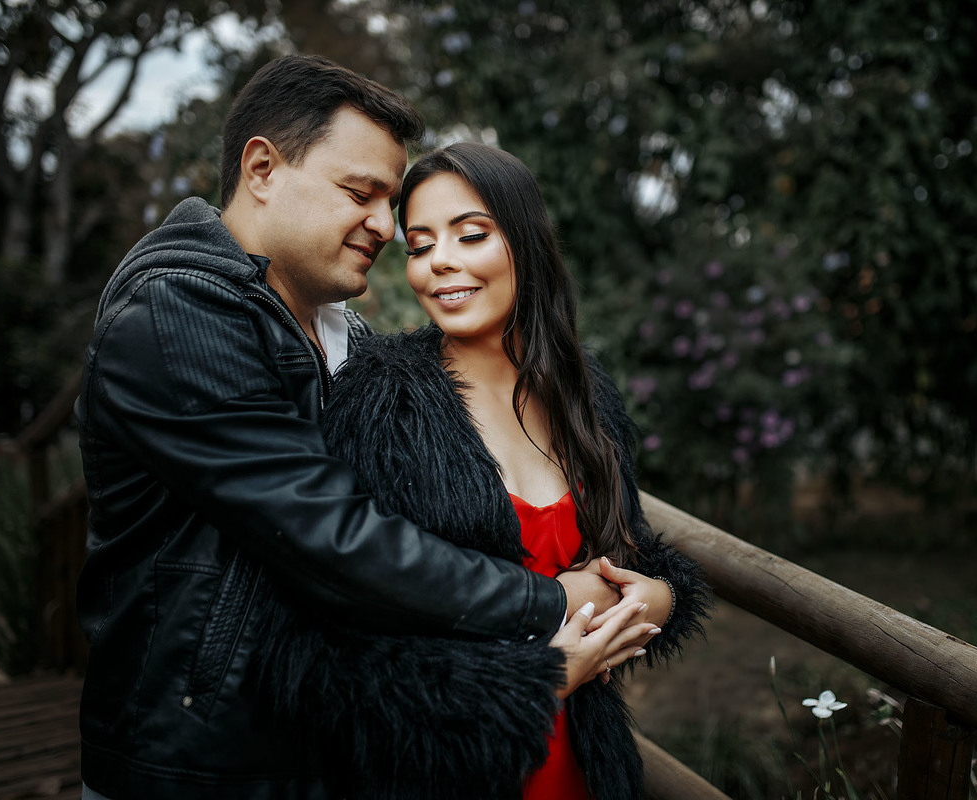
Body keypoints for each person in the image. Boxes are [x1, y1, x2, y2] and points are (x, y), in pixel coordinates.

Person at [74, 55, 622, 800]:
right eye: (360, 193)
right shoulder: (176, 317)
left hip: (327, 748)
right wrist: (552, 603)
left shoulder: (347, 335)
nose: (386, 228)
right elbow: (328, 533)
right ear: (262, 167)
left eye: (388, 202)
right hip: (203, 765)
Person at [254, 142, 710, 800]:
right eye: (419, 244)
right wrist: (541, 676)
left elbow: (631, 551)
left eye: (470, 235)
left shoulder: (584, 397)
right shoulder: (384, 401)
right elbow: (320, 653)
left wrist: (663, 599)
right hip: (451, 773)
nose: (440, 262)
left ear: (525, 243)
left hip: (585, 763)